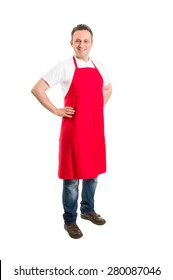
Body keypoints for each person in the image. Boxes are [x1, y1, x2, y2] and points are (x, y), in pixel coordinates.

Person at [31, 24, 112, 239]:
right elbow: (37, 89)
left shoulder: (100, 66)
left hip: (94, 129)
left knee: (92, 175)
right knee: (72, 178)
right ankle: (70, 220)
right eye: (78, 41)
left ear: (91, 43)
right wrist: (57, 110)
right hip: (74, 130)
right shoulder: (65, 66)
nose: (82, 44)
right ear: (71, 43)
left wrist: (96, 107)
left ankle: (87, 210)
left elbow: (109, 88)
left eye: (85, 41)